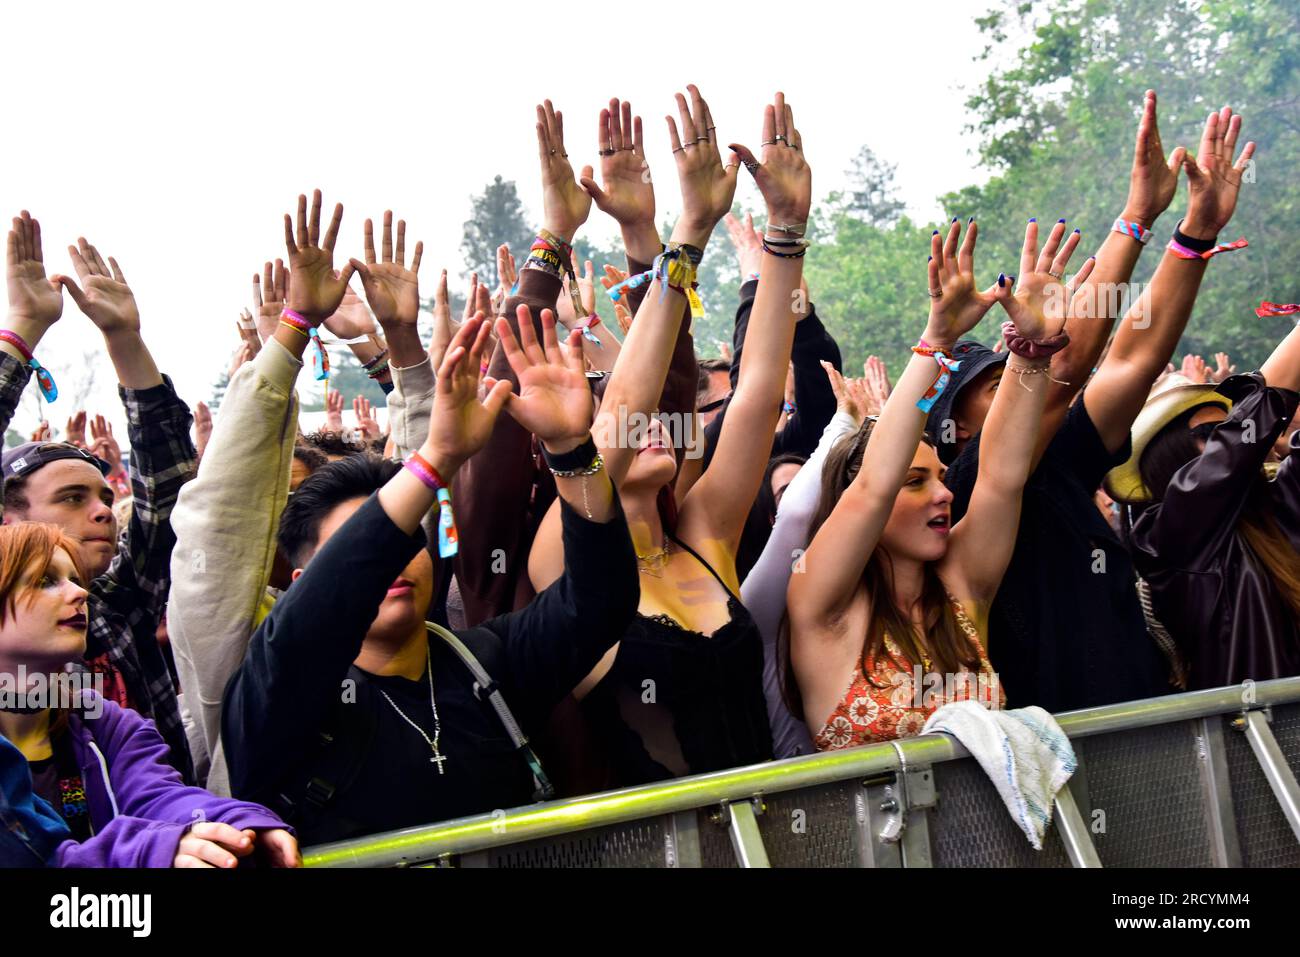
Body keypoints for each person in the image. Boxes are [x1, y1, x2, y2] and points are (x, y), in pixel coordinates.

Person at [221, 188, 637, 845]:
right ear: (302, 582)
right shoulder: (283, 698)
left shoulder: (487, 664)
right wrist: (437, 457)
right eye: (365, 553)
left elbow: (602, 599)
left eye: (405, 544)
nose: (392, 561)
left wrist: (569, 448)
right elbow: (322, 610)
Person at [932, 96, 1256, 712]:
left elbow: (1135, 355)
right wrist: (1135, 217)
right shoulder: (969, 486)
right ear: (956, 430)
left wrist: (1195, 236)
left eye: (1013, 371)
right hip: (1072, 755)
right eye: (993, 386)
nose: (1016, 383)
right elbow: (1065, 369)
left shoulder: (1058, 463)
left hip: (1152, 730)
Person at [528, 89, 810, 788]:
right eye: (624, 417)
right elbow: (625, 402)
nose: (652, 418)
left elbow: (758, 391)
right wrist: (686, 229)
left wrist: (786, 229)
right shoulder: (566, 561)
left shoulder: (706, 535)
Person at [787, 216, 1088, 749]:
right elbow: (872, 487)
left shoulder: (961, 589)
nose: (945, 494)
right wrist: (937, 340)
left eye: (942, 478)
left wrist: (1031, 352)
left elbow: (1002, 478)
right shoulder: (824, 606)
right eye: (915, 482)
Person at [1, 214, 195, 779]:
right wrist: (22, 327)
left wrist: (125, 340)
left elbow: (168, 490)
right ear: (8, 521)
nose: (104, 510)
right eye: (70, 498)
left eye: (105, 494)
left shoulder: (115, 605)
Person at [0, 522, 297, 867]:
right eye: (45, 581)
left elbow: (159, 797)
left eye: (77, 580)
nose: (80, 594)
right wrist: (150, 851)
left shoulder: (104, 723)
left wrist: (235, 826)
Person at [1107, 317, 1300, 689]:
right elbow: (1250, 427)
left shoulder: (1277, 502)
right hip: (1254, 738)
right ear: (1169, 458)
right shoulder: (1162, 538)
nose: (1230, 438)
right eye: (1213, 433)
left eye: (1228, 426)